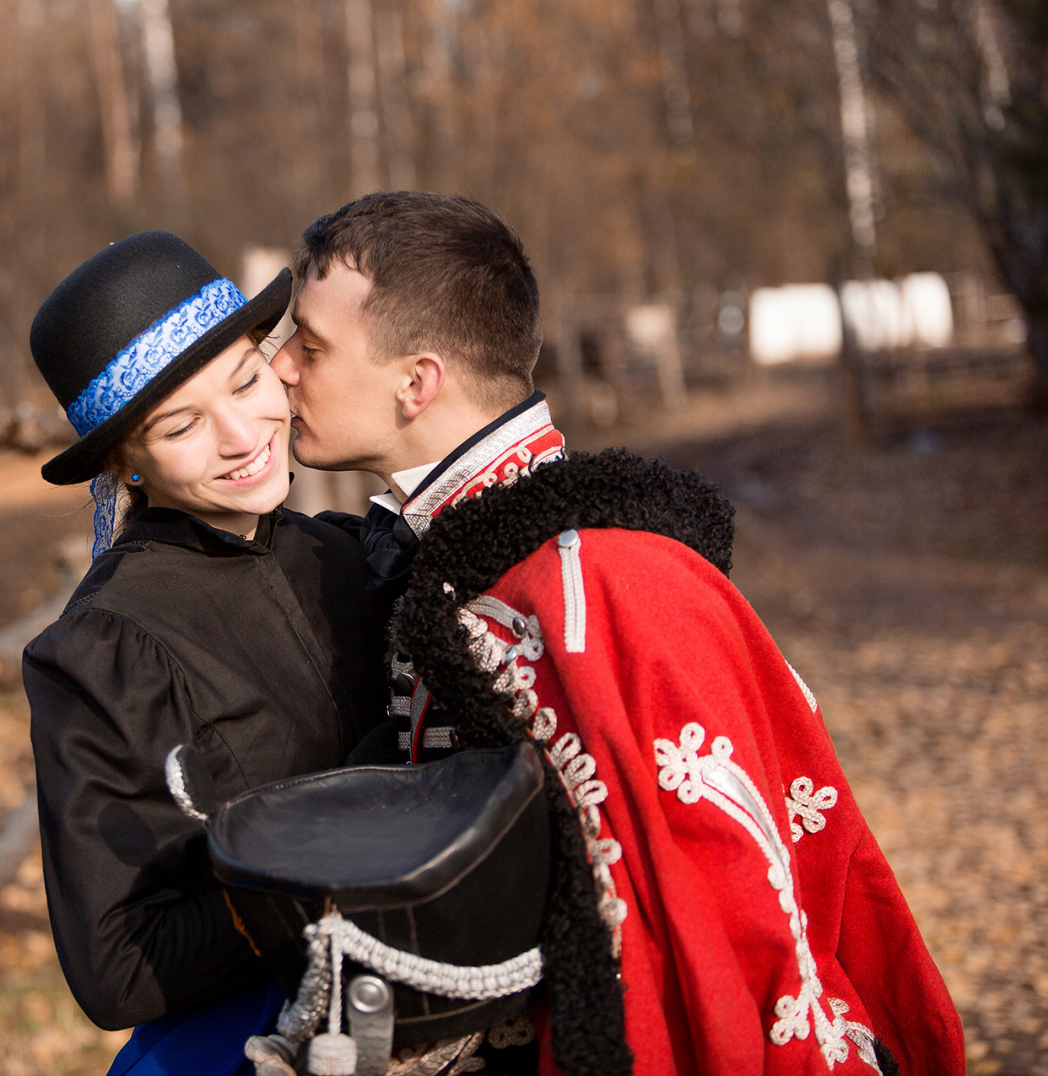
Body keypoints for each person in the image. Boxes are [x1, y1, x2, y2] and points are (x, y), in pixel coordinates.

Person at [266, 191, 965, 1076]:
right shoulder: (454, 570)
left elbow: (723, 944)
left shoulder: (605, 588)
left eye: (312, 346)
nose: (282, 368)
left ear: (417, 381)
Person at [21, 230, 387, 1074]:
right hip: (250, 1045)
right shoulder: (103, 650)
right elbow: (115, 967)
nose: (240, 434)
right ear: (126, 462)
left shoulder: (350, 553)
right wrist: (320, 875)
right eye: (182, 424)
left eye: (248, 380)